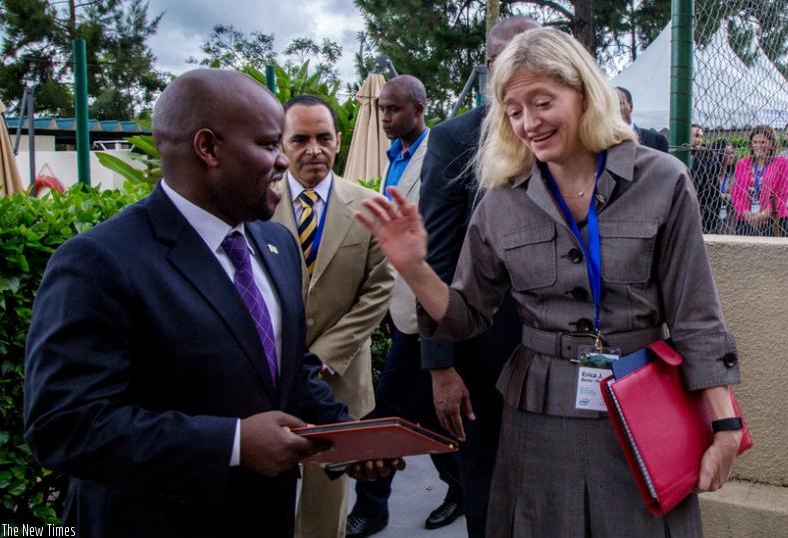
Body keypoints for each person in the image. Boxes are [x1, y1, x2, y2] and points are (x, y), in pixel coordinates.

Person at [356, 28, 744, 536]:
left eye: (542, 103)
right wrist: (414, 268)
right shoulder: (500, 201)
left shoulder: (662, 180)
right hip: (538, 416)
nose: (528, 123)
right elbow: (465, 314)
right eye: (513, 111)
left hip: (642, 405)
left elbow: (696, 314)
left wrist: (725, 422)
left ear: (584, 93)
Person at [23, 69, 358, 538]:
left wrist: (349, 437)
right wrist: (233, 443)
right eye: (268, 144)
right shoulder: (99, 261)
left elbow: (287, 369)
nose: (285, 160)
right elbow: (65, 425)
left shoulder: (277, 244)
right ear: (208, 148)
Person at [417, 15, 537, 538]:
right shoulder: (455, 138)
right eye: (507, 58)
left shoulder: (576, 135)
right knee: (488, 496)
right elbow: (436, 257)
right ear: (488, 66)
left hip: (564, 356)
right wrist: (440, 365)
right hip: (482, 354)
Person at [272, 94, 396, 538]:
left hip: (339, 381)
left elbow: (379, 289)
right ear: (281, 143)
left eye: (323, 138)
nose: (314, 150)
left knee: (326, 510)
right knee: (267, 499)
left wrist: (326, 355)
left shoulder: (370, 206)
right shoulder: (256, 206)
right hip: (270, 380)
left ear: (338, 141)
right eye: (300, 139)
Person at [346, 74, 464, 538]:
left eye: (393, 109)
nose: (385, 117)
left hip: (428, 309)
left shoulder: (440, 152)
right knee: (431, 414)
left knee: (389, 410)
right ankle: (462, 488)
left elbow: (441, 240)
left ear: (419, 108)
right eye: (381, 109)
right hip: (398, 308)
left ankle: (371, 505)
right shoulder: (393, 157)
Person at [730, 125, 788, 236]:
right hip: (746, 221)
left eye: (763, 142)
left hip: (773, 220)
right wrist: (746, 213)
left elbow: (783, 192)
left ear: (771, 143)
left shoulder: (781, 163)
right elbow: (736, 193)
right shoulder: (742, 164)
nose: (758, 146)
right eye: (755, 142)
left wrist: (764, 214)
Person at [615, 86, 668, 152]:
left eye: (619, 103)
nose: (614, 108)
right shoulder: (603, 143)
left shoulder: (656, 140)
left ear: (631, 107)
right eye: (609, 105)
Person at [711, 139, 738, 235]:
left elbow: (739, 195)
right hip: (712, 214)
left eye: (732, 153)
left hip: (730, 215)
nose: (731, 156)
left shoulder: (735, 174)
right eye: (727, 153)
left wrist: (724, 196)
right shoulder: (711, 173)